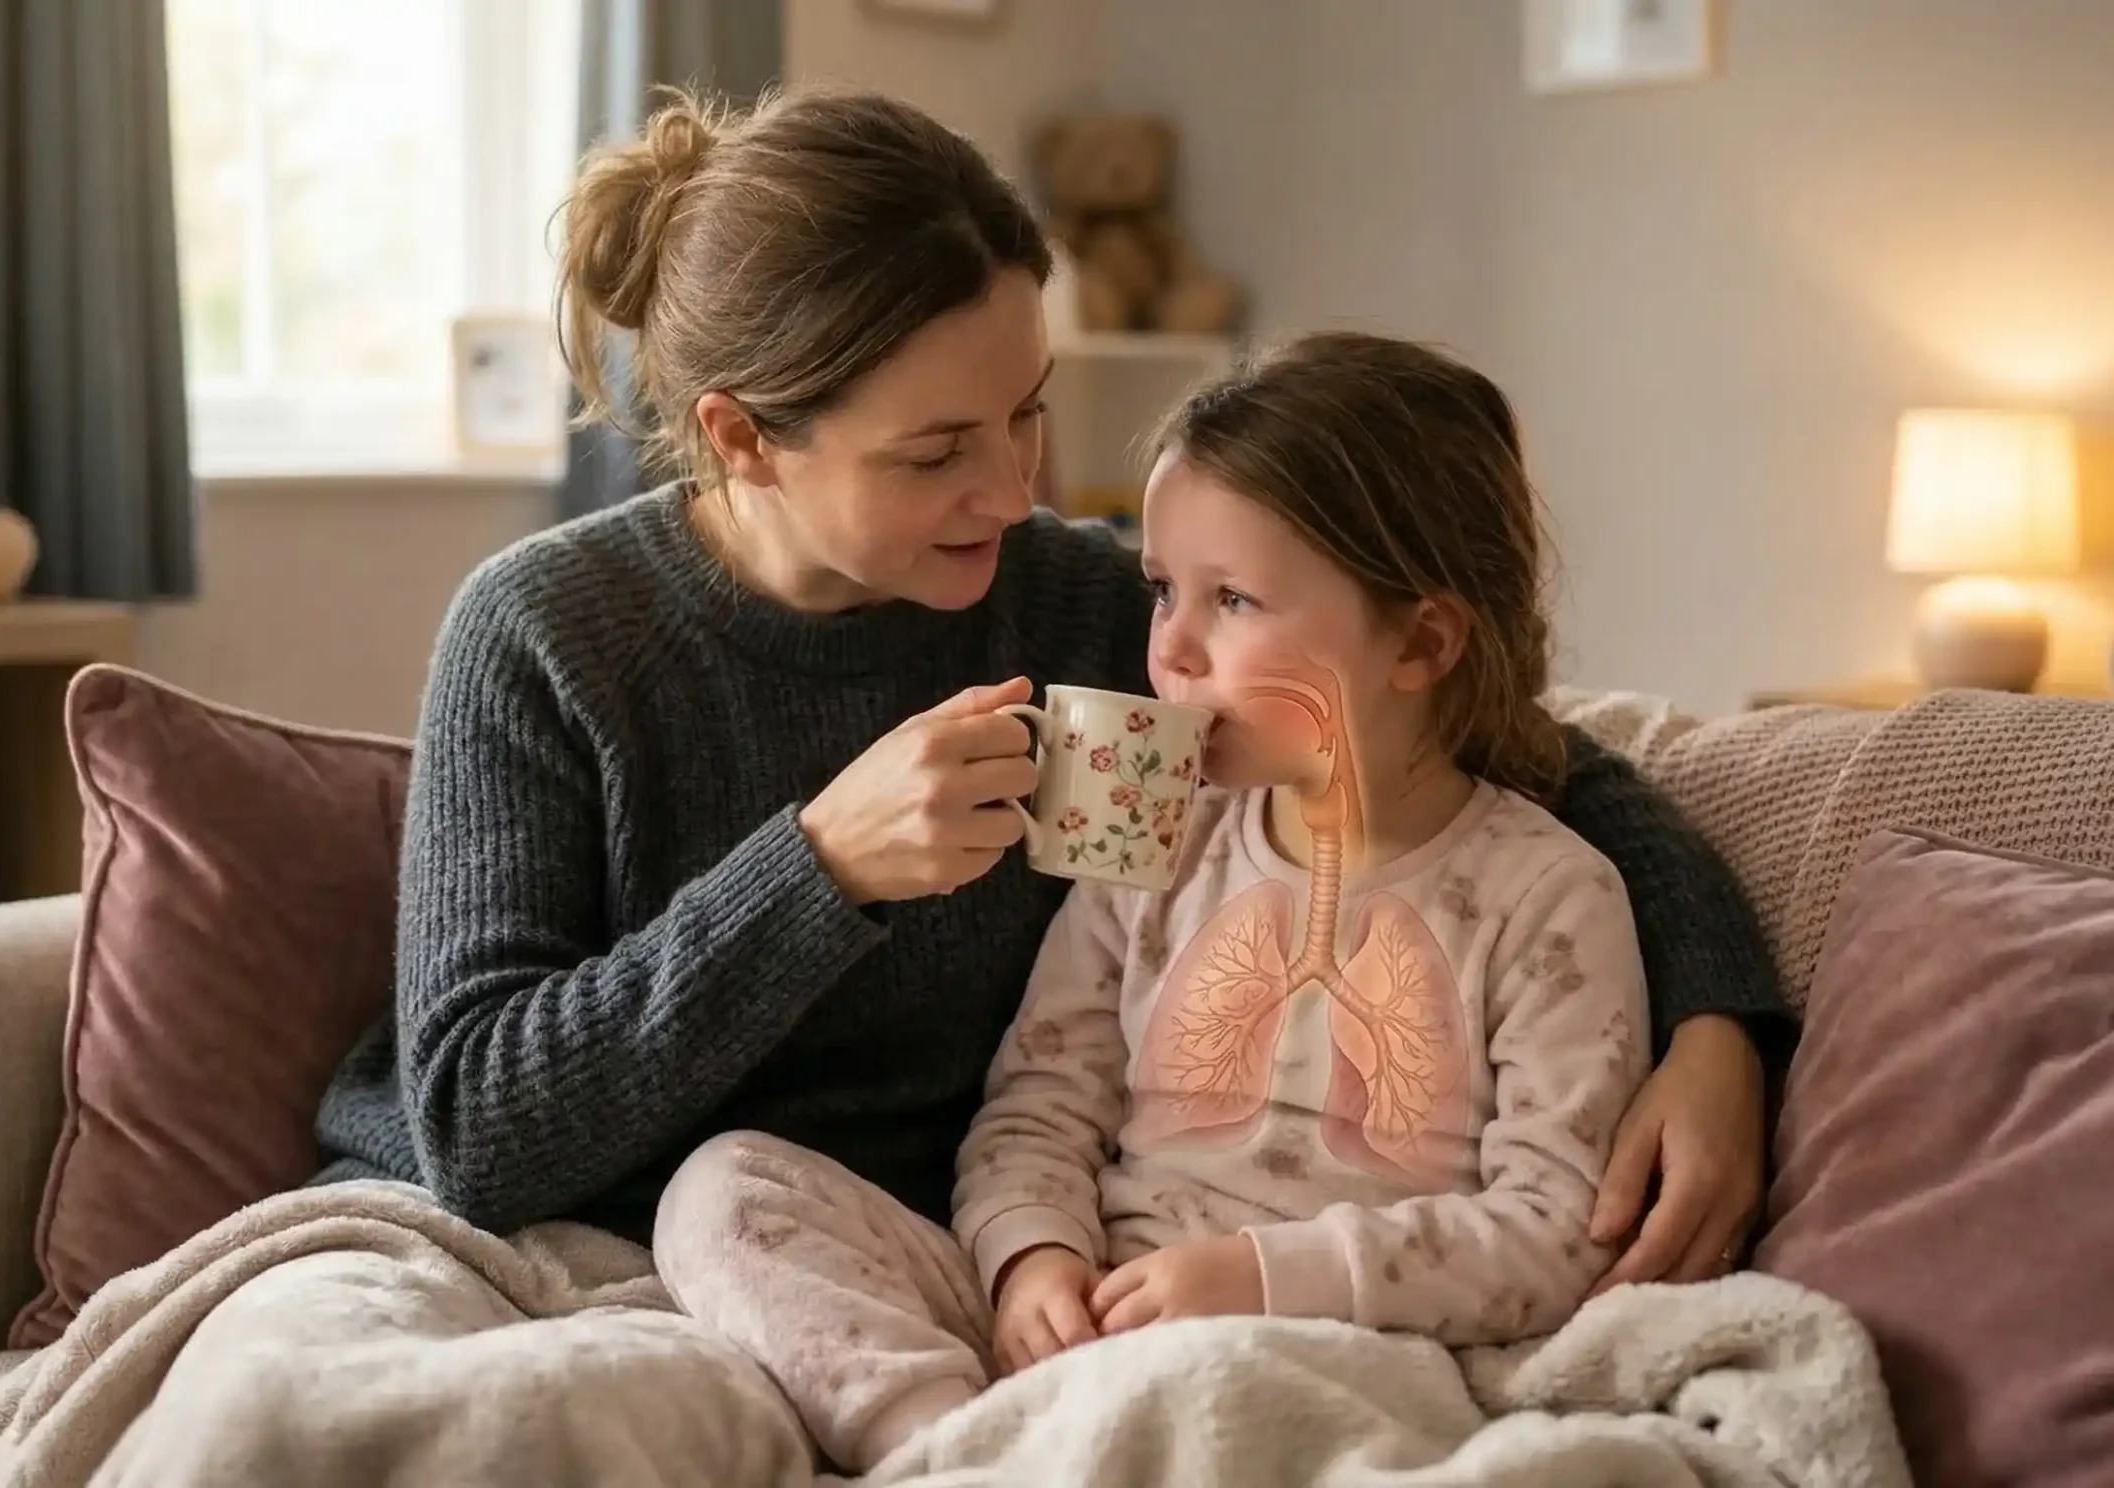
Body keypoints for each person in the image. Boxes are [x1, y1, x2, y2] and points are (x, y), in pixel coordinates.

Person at [313, 82, 1784, 1374]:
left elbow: (1525, 761)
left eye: (1027, 412)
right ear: (741, 436)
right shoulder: (546, 636)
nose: (1014, 493)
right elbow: (480, 1132)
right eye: (939, 450)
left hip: (990, 1266)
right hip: (638, 1233)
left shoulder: (1090, 610)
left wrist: (1720, 1030)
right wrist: (818, 871)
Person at [650, 332, 1653, 1472]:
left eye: (1232, 600)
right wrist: (1031, 1259)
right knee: (725, 1187)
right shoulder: (1152, 830)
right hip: (1081, 1309)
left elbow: (1550, 1231)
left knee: (1232, 1402)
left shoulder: (1549, 899)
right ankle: (936, 1445)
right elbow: (1041, 1106)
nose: (1169, 649)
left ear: (1420, 640)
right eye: (1162, 589)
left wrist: (1258, 1282)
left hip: (1324, 1341)